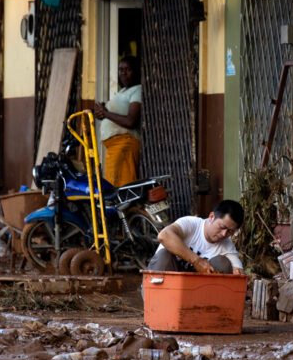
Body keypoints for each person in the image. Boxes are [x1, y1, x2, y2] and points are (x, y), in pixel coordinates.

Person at [147, 200, 245, 274]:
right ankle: (154, 297)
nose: (224, 234)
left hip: (193, 292)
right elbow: (164, 235)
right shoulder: (190, 224)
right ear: (211, 217)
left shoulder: (227, 246)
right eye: (222, 227)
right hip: (165, 285)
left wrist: (236, 273)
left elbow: (239, 274)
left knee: (222, 263)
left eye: (230, 232)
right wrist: (197, 261)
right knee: (164, 254)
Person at [92, 55, 142, 187]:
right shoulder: (123, 92)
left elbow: (131, 121)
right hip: (115, 148)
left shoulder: (138, 90)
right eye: (121, 70)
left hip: (124, 145)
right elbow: (109, 115)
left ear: (136, 71)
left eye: (128, 69)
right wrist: (101, 113)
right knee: (113, 186)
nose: (123, 73)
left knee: (122, 190)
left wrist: (106, 113)